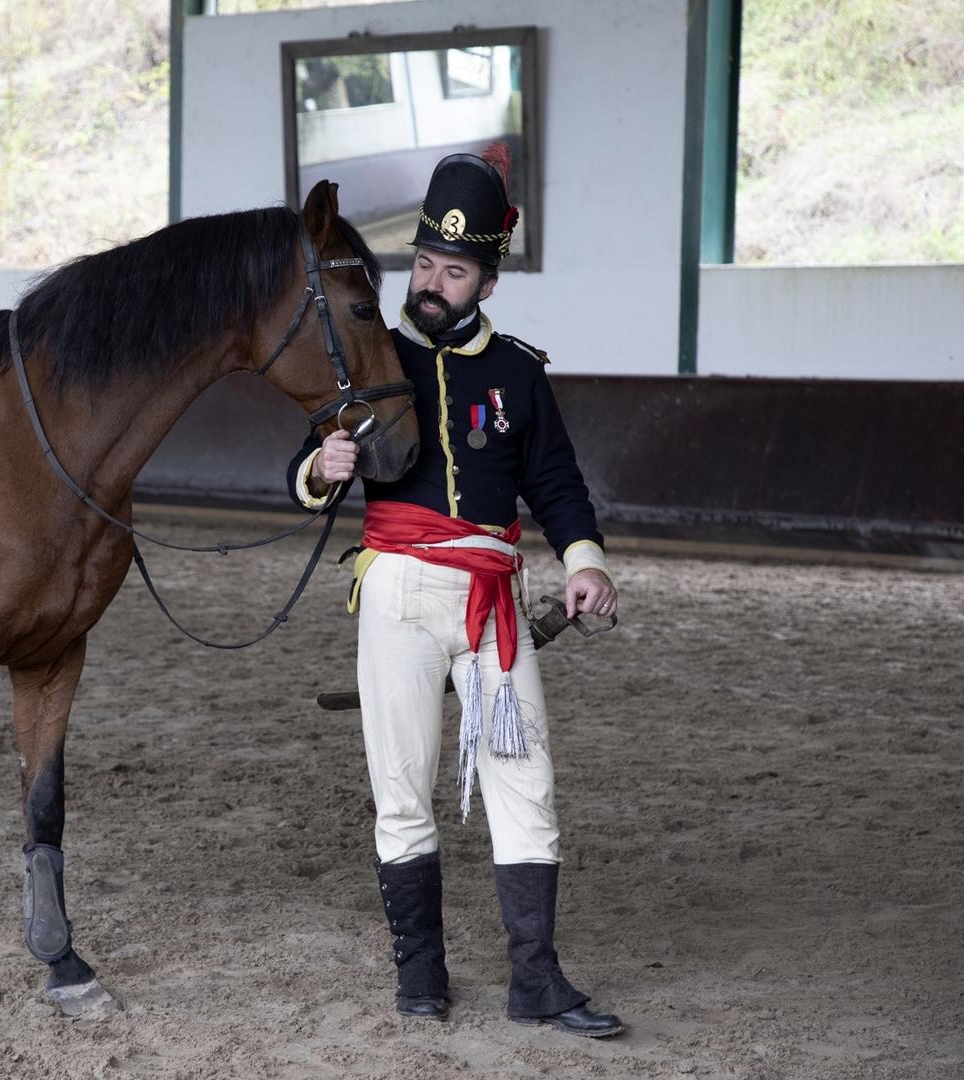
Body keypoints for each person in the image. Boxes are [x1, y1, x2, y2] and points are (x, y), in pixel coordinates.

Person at [285, 145, 623, 1037]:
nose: (432, 284)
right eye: (426, 265)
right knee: (401, 788)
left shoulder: (517, 374)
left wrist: (585, 561)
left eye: (455, 271)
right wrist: (325, 467)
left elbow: (556, 483)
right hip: (394, 589)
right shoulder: (371, 357)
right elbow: (303, 474)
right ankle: (422, 977)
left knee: (525, 781)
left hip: (493, 599)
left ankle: (535, 981)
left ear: (487, 282)